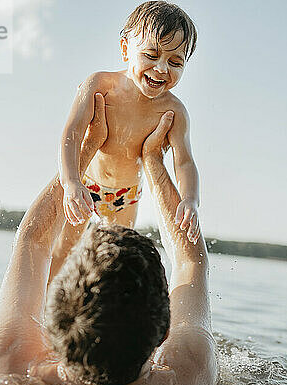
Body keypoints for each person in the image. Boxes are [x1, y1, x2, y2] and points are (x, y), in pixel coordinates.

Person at [0, 99, 218, 385]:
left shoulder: (6, 365)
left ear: (51, 319)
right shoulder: (190, 378)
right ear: (164, 333)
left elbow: (32, 241)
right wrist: (153, 160)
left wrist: (88, 147)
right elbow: (190, 262)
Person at [55, 1, 201, 281]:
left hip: (125, 196)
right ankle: (46, 311)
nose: (161, 69)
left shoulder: (174, 111)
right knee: (64, 248)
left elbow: (184, 161)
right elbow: (71, 134)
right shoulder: (99, 85)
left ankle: (102, 310)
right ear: (125, 49)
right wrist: (71, 181)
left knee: (117, 256)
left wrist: (190, 200)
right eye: (151, 54)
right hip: (85, 184)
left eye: (175, 62)